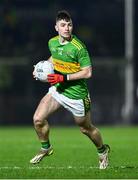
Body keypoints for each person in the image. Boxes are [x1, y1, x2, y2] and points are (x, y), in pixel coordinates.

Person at [30, 10, 110, 169]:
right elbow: (53, 57)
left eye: (69, 25)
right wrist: (40, 70)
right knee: (38, 119)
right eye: (63, 25)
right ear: (56, 28)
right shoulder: (52, 42)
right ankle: (46, 148)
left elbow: (88, 72)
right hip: (58, 90)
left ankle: (103, 151)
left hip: (77, 95)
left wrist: (63, 77)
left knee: (85, 128)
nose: (67, 28)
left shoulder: (78, 48)